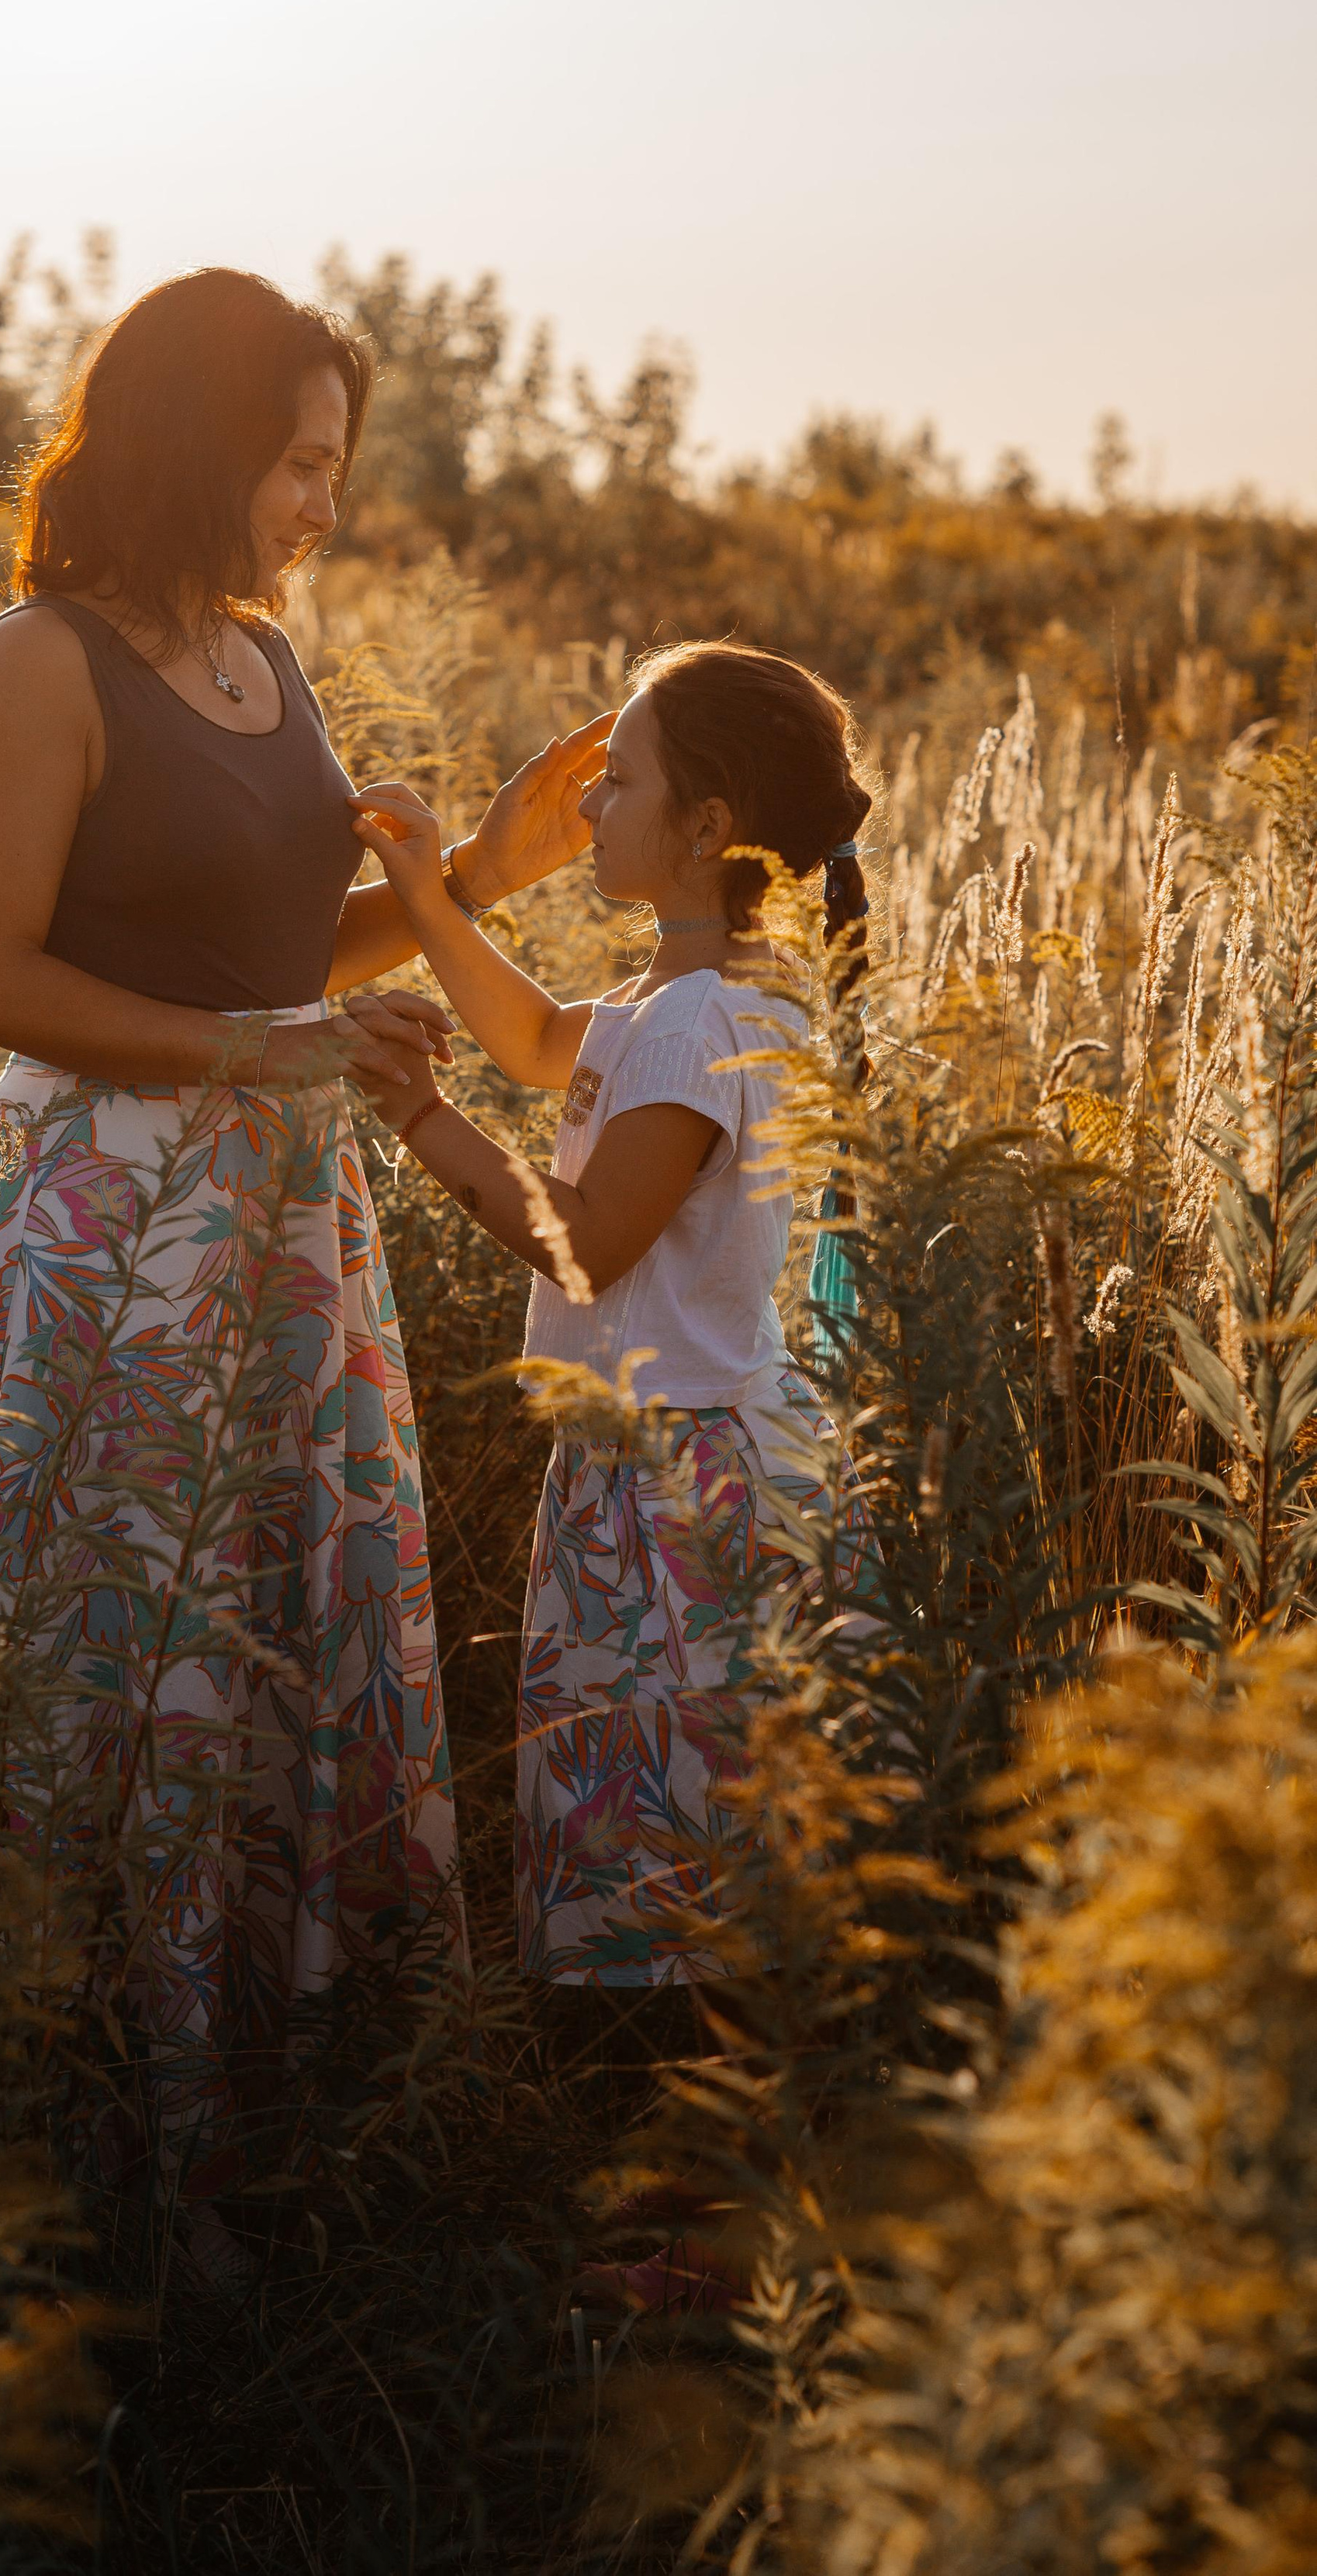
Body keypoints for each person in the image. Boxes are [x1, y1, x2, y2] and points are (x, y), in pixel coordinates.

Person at [0, 265, 608, 2285]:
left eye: (336, 468)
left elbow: (277, 962)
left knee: (283, 1652)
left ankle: (277, 2134)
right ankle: (83, 2176)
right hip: (111, 1236)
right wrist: (260, 1056)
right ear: (201, 447)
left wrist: (468, 877)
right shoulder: (37, 664)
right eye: (299, 462)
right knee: (129, 1657)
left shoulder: (264, 671)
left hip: (286, 1238)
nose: (322, 503)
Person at [349, 638, 876, 2015]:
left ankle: (701, 2211)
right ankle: (690, 2200)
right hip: (661, 1469)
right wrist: (425, 885)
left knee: (679, 1865)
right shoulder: (693, 1001)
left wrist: (416, 1116)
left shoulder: (699, 1025)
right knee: (682, 1841)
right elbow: (532, 1041)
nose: (589, 807)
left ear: (704, 828)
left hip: (679, 1496)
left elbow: (588, 1244)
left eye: (619, 781)